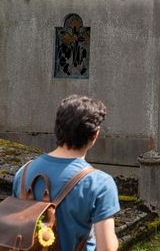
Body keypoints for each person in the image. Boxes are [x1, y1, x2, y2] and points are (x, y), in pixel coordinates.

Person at [12, 95, 120, 251]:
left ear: (58, 128)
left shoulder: (24, 172)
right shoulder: (100, 183)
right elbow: (106, 248)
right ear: (95, 134)